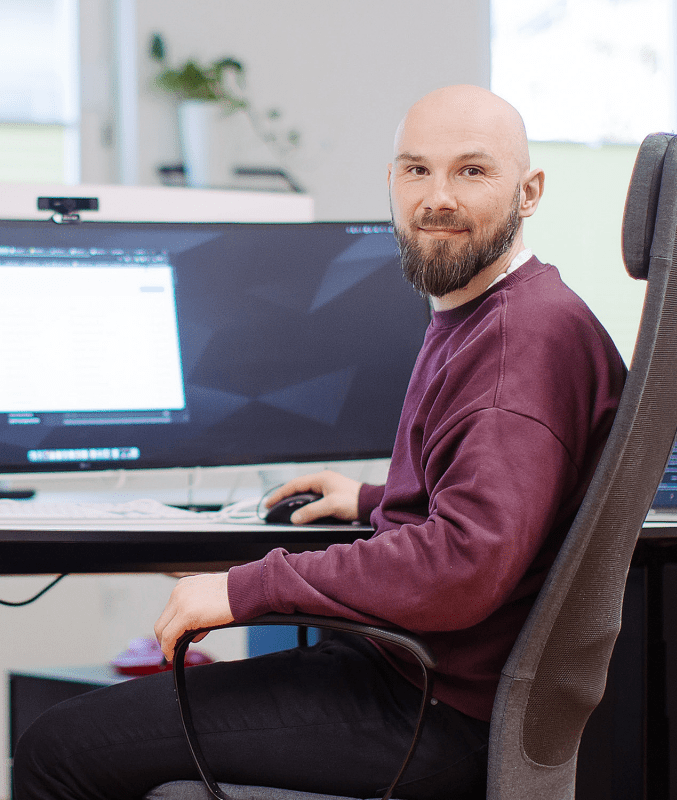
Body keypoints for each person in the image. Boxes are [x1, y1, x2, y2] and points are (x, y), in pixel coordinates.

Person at [13, 85, 626, 800]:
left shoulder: (515, 345)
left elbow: (464, 562)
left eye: (472, 171)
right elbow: (503, 498)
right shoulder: (499, 313)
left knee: (57, 748)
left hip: (429, 709)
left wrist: (246, 587)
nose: (438, 197)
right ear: (391, 182)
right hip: (417, 678)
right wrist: (368, 498)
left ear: (530, 192)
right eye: (416, 170)